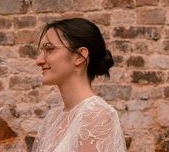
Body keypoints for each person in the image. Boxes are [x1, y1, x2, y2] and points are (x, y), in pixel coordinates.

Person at [32, 18, 126, 152]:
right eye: (42, 51)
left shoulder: (97, 116)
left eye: (49, 49)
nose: (39, 61)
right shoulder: (53, 118)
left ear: (80, 56)